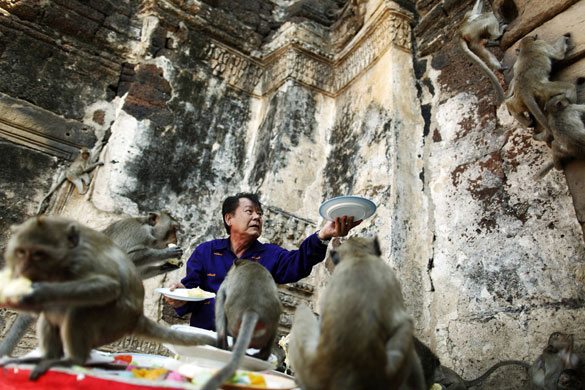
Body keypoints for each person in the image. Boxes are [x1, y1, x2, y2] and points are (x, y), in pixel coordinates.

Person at [164, 192, 361, 330]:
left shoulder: (269, 254)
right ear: (229, 218)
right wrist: (177, 296)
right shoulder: (206, 252)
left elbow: (298, 263)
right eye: (249, 211)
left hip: (246, 350)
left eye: (260, 213)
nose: (257, 217)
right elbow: (189, 294)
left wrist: (323, 235)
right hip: (205, 343)